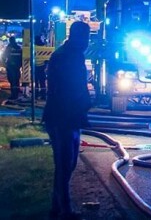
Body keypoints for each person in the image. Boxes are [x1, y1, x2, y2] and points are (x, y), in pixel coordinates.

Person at [42, 21, 92, 220]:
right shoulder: (66, 56)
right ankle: (64, 210)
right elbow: (66, 89)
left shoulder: (71, 54)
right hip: (62, 116)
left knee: (68, 163)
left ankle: (58, 207)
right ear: (77, 36)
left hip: (69, 116)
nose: (87, 42)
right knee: (65, 163)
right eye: (85, 37)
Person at [2, 33, 23, 99]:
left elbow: (4, 56)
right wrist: (20, 64)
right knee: (17, 79)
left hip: (10, 66)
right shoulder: (19, 47)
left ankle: (14, 95)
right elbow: (22, 57)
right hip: (17, 66)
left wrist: (5, 64)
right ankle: (17, 92)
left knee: (12, 80)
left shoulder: (8, 48)